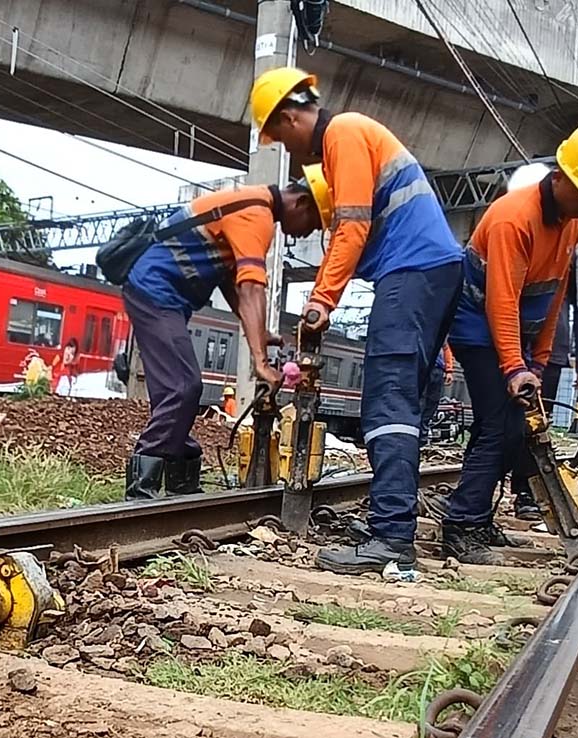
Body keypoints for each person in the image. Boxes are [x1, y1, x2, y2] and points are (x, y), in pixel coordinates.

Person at [251, 66, 463, 574]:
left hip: (413, 272)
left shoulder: (343, 132)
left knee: (386, 401)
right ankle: (393, 521)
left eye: (278, 135)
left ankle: (392, 538)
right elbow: (353, 226)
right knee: (402, 401)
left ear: (289, 116)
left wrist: (322, 299)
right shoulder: (357, 138)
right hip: (429, 272)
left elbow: (352, 225)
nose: (285, 147)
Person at [443, 122, 578, 564]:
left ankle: (477, 520)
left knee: (510, 430)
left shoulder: (573, 218)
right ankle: (462, 525)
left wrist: (540, 360)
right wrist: (513, 366)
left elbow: (555, 293)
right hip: (479, 329)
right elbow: (502, 300)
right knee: (499, 426)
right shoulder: (514, 218)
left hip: (515, 335)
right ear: (562, 175)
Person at [122, 170, 331, 501]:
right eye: (314, 223)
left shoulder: (253, 207)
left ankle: (181, 480)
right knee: (183, 387)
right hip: (154, 293)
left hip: (163, 297)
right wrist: (260, 360)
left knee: (175, 393)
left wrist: (259, 334)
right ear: (301, 203)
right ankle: (140, 493)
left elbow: (230, 281)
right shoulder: (255, 215)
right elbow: (250, 287)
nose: (309, 231)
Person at [509, 226, 578, 520]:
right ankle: (496, 492)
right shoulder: (523, 224)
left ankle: (526, 491)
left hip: (545, 346)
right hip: (509, 337)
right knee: (499, 421)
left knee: (534, 422)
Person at [419, 346, 454, 447]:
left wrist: (449, 370)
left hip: (437, 369)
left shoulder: (439, 332)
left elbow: (446, 348)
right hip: (421, 368)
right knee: (420, 402)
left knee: (432, 402)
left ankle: (423, 437)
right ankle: (417, 436)